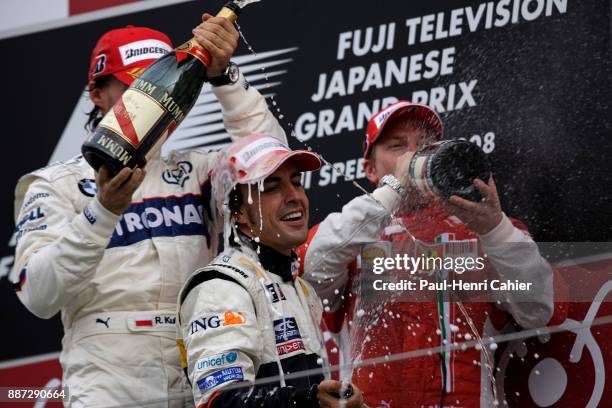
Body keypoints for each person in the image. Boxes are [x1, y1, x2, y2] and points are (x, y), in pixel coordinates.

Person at [10, 15, 286, 407]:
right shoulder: (56, 184)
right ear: (97, 93)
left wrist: (224, 78)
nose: (155, 98)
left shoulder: (198, 170)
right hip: (109, 375)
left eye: (161, 84)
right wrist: (102, 213)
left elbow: (271, 164)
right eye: (137, 85)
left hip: (205, 356)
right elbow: (39, 294)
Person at [298, 101, 556, 407]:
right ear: (369, 168)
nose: (413, 155)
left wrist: (495, 229)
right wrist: (393, 188)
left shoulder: (479, 230)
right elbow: (312, 267)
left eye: (424, 146)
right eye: (397, 146)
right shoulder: (355, 235)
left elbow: (538, 309)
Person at [177, 134, 364, 407]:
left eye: (297, 183)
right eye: (272, 187)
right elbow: (219, 402)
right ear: (237, 211)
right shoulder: (221, 286)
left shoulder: (299, 287)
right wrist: (310, 402)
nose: (294, 197)